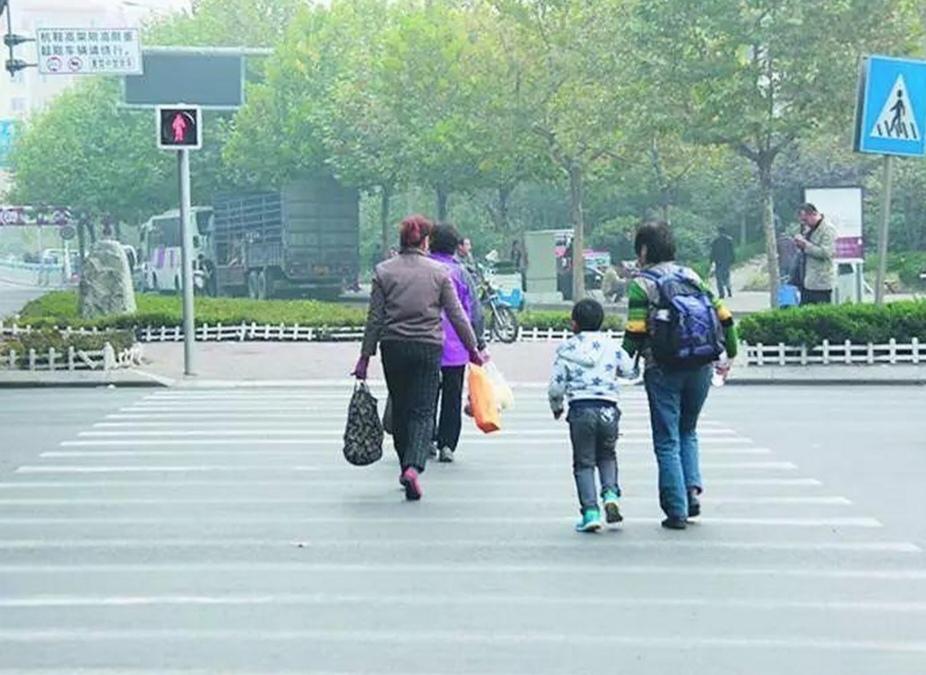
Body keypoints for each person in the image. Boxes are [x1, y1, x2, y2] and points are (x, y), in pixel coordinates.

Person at [353, 215, 483, 501]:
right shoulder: (439, 272)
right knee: (423, 411)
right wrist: (473, 348)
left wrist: (364, 357)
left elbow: (374, 319)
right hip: (427, 347)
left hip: (393, 347)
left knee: (400, 408)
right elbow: (458, 315)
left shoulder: (384, 271)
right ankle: (414, 467)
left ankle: (404, 465)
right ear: (425, 241)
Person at [622, 221, 739, 530]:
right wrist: (730, 353)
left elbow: (635, 332)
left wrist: (618, 363)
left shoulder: (642, 284)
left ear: (644, 250)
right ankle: (691, 494)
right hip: (700, 364)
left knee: (667, 440)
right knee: (688, 430)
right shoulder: (691, 276)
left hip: (663, 368)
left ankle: (676, 510)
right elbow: (724, 316)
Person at [549, 298, 636, 533]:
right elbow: (629, 370)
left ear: (574, 324)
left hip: (581, 410)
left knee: (584, 462)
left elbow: (556, 386)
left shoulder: (566, 350)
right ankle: (611, 495)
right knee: (607, 455)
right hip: (608, 409)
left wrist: (557, 407)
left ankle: (590, 513)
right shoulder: (611, 346)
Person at [429, 223, 486, 463]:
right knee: (452, 397)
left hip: (426, 343)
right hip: (456, 347)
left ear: (430, 242)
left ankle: (426, 439)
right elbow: (474, 311)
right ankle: (447, 444)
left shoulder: (423, 268)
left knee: (427, 395)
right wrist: (478, 342)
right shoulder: (461, 273)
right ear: (455, 247)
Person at [795, 203, 836, 305]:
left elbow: (826, 252)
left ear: (814, 214)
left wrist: (805, 245)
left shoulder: (828, 229)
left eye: (806, 220)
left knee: (821, 312)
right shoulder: (808, 229)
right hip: (807, 281)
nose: (805, 223)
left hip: (821, 283)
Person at [709, 226, 735, 299]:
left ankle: (721, 293)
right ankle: (729, 290)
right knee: (726, 276)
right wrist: (732, 260)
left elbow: (712, 252)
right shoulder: (729, 240)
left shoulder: (715, 241)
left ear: (719, 232)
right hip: (726, 261)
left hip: (718, 262)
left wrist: (711, 261)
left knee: (719, 277)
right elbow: (732, 251)